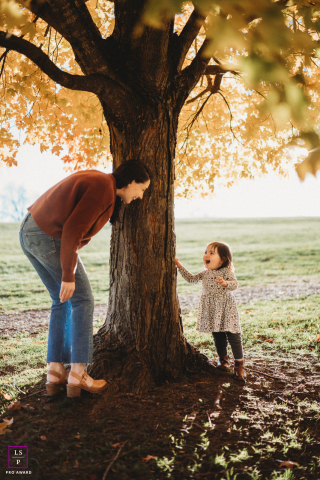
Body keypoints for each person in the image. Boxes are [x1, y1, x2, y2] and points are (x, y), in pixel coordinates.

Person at [19, 160, 150, 397]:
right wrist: (68, 274)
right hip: (48, 236)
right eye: (142, 189)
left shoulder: (101, 183)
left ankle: (55, 370)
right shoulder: (103, 188)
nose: (141, 196)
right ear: (131, 182)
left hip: (30, 232)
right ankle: (78, 372)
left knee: (61, 300)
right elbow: (72, 230)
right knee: (83, 300)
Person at [175, 241, 245, 381]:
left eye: (211, 253)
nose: (206, 255)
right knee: (218, 335)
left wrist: (225, 283)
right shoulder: (205, 274)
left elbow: (234, 284)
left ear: (223, 259)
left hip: (226, 308)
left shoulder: (226, 272)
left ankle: (239, 365)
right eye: (205, 252)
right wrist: (178, 265)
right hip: (212, 309)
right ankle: (223, 359)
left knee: (233, 335)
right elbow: (191, 279)